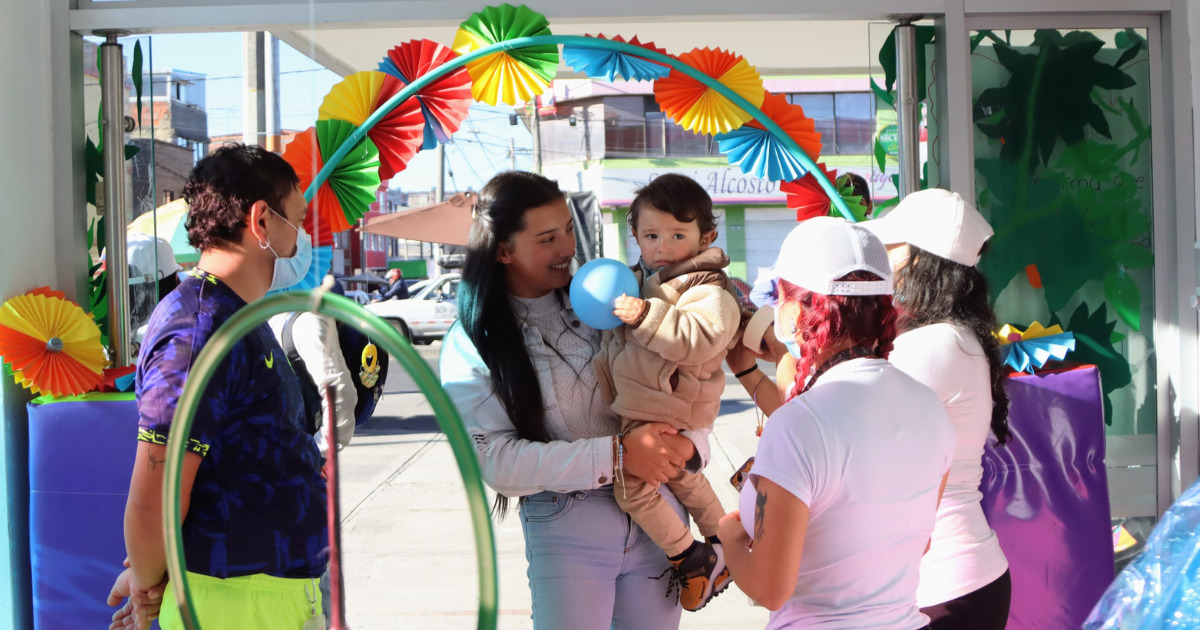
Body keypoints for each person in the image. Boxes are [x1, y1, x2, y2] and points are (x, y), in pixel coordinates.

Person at [439, 170, 711, 630]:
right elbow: (498, 463)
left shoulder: (616, 297)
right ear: (503, 250)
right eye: (547, 238)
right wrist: (619, 455)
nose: (567, 248)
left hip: (661, 515)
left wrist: (691, 448)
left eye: (568, 228)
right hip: (568, 524)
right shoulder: (473, 342)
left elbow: (686, 376)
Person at [107, 144, 327, 630]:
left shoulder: (232, 315)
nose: (303, 240)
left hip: (265, 595)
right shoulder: (199, 328)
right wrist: (146, 588)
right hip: (236, 604)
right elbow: (156, 495)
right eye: (297, 220)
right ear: (261, 221)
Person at [716, 216, 954, 629]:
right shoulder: (930, 406)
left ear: (793, 311)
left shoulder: (798, 424)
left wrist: (730, 537)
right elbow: (919, 542)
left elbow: (770, 589)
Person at [862, 188, 1012, 629]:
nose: (882, 260)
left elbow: (846, 432)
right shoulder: (954, 338)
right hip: (954, 579)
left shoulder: (933, 344)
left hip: (941, 586)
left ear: (918, 260)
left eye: (891, 248)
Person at [594, 173, 739, 611]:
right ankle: (724, 538)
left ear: (705, 236)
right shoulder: (647, 279)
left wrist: (644, 316)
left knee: (631, 486)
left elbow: (699, 337)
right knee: (681, 477)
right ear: (634, 235)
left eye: (678, 234)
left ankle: (690, 555)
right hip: (653, 404)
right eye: (651, 234)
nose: (663, 245)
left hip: (671, 406)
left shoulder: (706, 286)